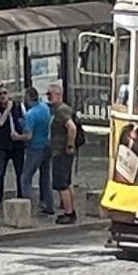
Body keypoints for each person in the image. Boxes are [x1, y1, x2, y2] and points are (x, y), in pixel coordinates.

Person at [44, 82, 78, 225]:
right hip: (61, 151)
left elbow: (72, 128)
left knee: (60, 183)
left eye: (50, 94)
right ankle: (70, 210)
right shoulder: (61, 110)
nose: (48, 97)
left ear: (58, 95)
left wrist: (70, 145)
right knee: (67, 182)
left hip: (61, 152)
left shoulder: (61, 111)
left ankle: (69, 213)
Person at [18, 86, 52, 213]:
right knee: (45, 176)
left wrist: (17, 137)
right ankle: (48, 204)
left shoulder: (30, 115)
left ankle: (26, 208)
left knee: (26, 178)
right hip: (46, 145)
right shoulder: (44, 107)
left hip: (35, 147)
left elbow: (28, 136)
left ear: (27, 98)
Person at [0, 86, 25, 208]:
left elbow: (24, 120)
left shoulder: (19, 106)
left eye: (4, 93)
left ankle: (22, 195)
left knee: (20, 171)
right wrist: (7, 109)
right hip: (3, 145)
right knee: (0, 172)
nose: (2, 96)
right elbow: (0, 122)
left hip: (17, 144)